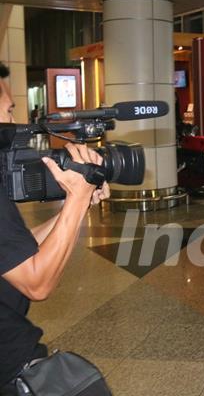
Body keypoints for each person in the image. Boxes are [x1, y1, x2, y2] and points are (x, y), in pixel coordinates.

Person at [0, 62, 110, 392]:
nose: (11, 119)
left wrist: (76, 207)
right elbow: (36, 283)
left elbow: (16, 255)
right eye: (8, 109)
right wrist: (76, 198)